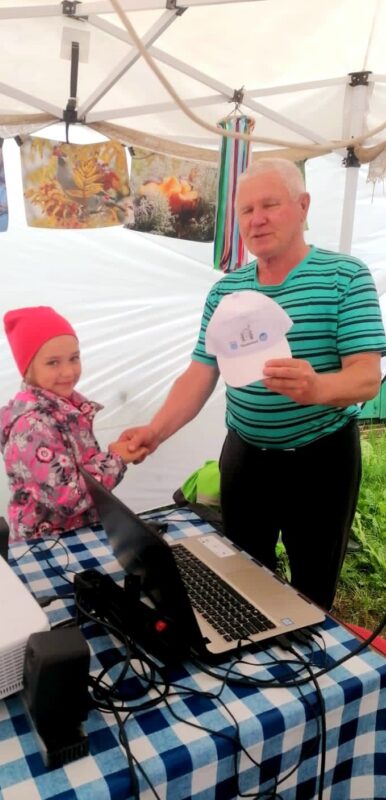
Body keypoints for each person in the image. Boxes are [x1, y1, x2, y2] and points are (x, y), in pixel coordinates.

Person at [119, 158, 386, 610]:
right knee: (243, 579)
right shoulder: (227, 292)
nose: (256, 219)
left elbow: (366, 377)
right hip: (245, 457)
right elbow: (201, 372)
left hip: (321, 458)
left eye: (270, 205)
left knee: (313, 585)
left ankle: (308, 649)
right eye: (246, 210)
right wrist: (155, 431)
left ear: (302, 206)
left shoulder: (345, 276)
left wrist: (317, 388)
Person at [0, 305, 146, 541]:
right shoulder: (31, 426)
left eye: (74, 358)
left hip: (78, 536)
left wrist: (115, 453)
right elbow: (68, 497)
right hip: (45, 547)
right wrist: (115, 459)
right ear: (27, 368)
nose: (68, 371)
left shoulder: (68, 410)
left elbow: (79, 469)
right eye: (53, 363)